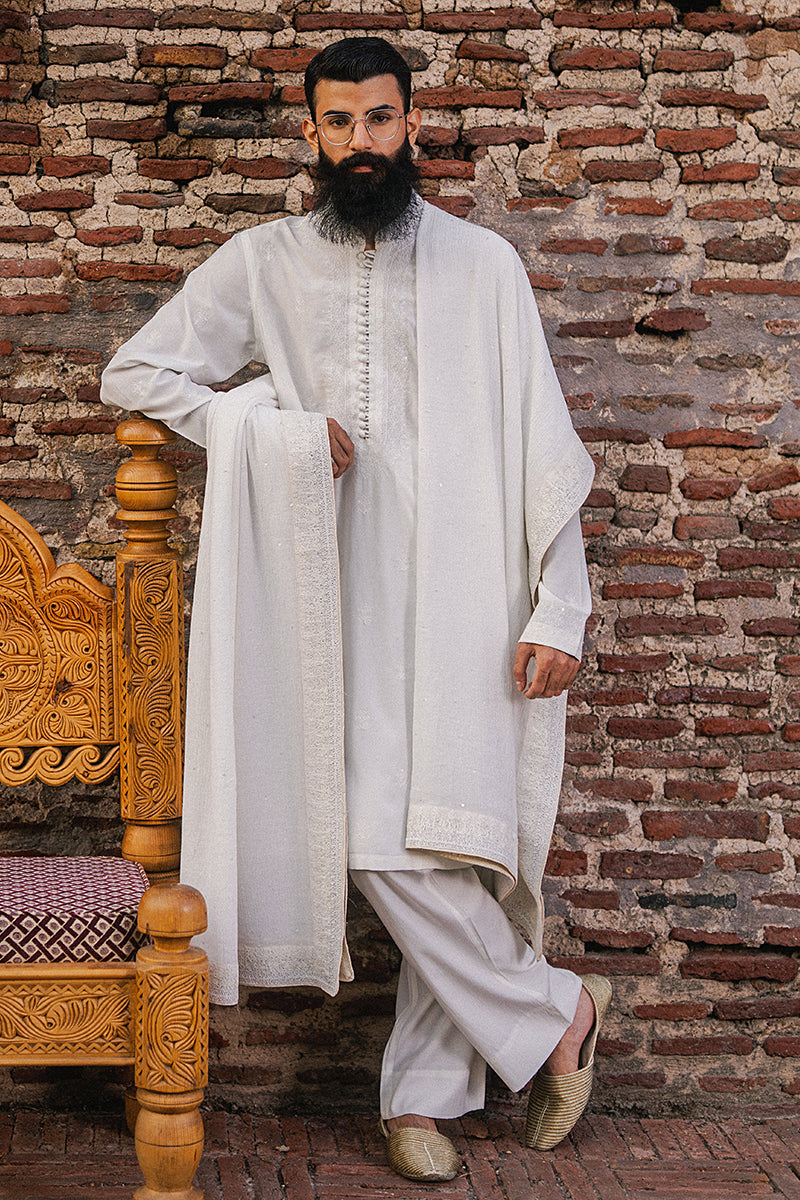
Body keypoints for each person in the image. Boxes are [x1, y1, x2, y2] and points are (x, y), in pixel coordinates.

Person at [101, 36, 610, 1183]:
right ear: (312, 134)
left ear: (409, 123)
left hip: (468, 598)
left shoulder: (483, 267)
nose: (361, 142)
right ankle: (554, 1012)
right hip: (329, 602)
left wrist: (557, 608)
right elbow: (137, 373)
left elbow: (542, 447)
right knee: (373, 836)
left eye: (379, 119)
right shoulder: (263, 264)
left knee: (448, 840)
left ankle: (420, 1101)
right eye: (339, 123)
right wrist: (268, 426)